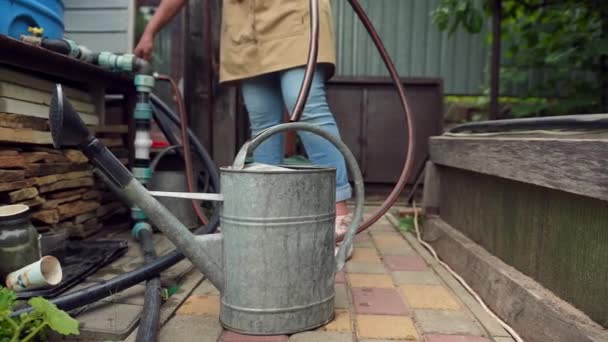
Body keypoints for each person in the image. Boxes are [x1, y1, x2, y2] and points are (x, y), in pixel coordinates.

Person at [135, 0, 353, 257]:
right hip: (247, 32)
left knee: (307, 109)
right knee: (263, 125)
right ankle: (267, 215)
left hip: (295, 17)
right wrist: (151, 30)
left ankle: (339, 216)